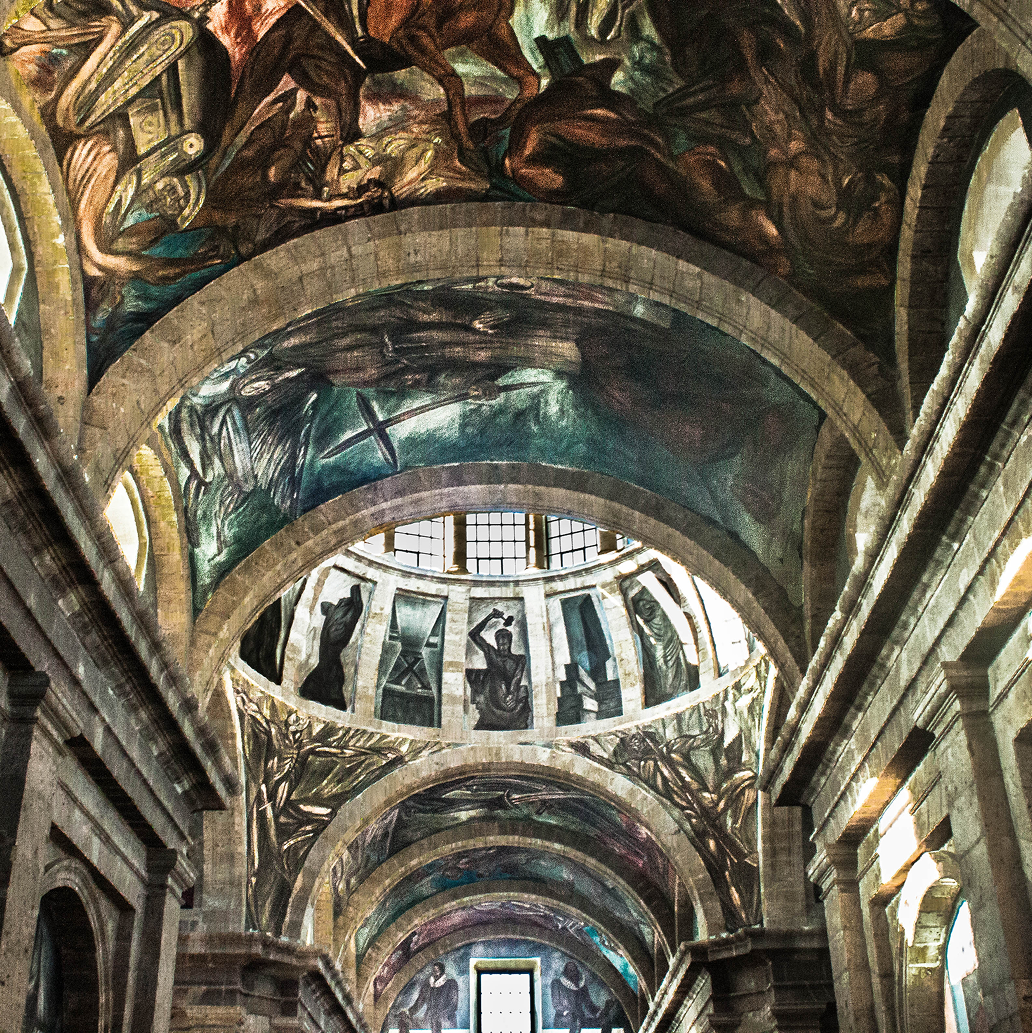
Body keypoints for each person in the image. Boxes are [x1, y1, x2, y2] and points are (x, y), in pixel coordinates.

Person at [467, 608, 531, 730]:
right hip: (493, 696)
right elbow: (473, 634)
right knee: (493, 674)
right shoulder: (491, 653)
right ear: (496, 643)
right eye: (500, 644)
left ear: (510, 643)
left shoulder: (519, 659)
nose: (502, 647)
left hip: (510, 697)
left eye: (505, 644)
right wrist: (490, 617)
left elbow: (517, 678)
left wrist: (512, 694)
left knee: (523, 692)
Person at [551, 962, 599, 1033]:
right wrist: (567, 1012)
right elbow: (556, 1004)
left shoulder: (582, 987)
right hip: (564, 1022)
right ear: (565, 972)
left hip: (580, 1021)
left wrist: (599, 1012)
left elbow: (588, 1004)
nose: (573, 972)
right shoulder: (557, 984)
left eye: (574, 970)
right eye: (570, 970)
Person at [412, 962, 459, 1033]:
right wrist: (409, 1012)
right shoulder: (427, 984)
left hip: (446, 1021)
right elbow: (419, 1002)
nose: (436, 973)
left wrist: (440, 1016)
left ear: (442, 972)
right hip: (429, 1020)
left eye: (438, 971)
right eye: (434, 971)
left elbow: (453, 1005)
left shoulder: (451, 983)